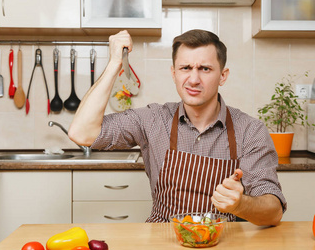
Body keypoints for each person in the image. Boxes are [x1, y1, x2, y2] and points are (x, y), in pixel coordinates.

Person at [68, 29, 287, 226]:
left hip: (224, 245)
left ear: (223, 76)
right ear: (174, 74)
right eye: (185, 68)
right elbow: (81, 133)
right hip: (162, 240)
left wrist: (241, 205)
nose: (193, 79)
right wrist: (115, 63)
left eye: (205, 68)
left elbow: (274, 211)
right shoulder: (152, 119)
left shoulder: (250, 130)